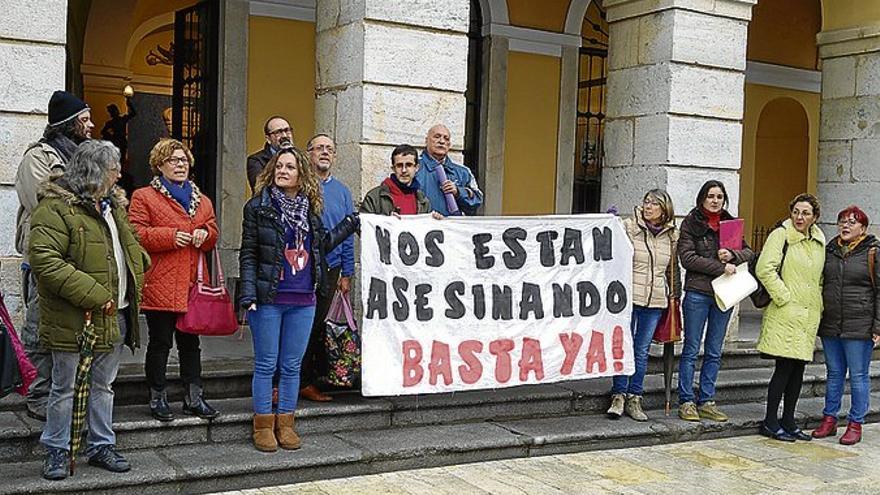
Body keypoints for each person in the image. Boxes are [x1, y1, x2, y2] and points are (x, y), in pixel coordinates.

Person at [29, 140, 149, 480]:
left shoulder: (113, 206)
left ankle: (101, 444)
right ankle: (56, 448)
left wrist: (140, 264)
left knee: (104, 385)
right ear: (95, 172)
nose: (119, 174)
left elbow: (130, 246)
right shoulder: (54, 209)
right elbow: (46, 262)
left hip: (115, 314)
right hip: (75, 318)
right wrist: (95, 293)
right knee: (64, 386)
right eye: (113, 169)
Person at [239, 146, 358, 452]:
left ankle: (286, 423)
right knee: (267, 364)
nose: (283, 171)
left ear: (300, 174)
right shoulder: (258, 208)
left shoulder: (310, 210)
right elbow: (249, 253)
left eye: (290, 167)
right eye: (279, 166)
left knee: (292, 366)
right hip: (268, 299)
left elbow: (323, 244)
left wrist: (351, 223)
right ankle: (263, 425)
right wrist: (247, 293)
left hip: (304, 299)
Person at [14, 90, 94, 422]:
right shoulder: (39, 157)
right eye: (85, 120)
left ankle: (68, 391)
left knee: (69, 331)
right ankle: (38, 393)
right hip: (46, 258)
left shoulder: (87, 156)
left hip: (78, 261)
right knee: (38, 329)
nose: (91, 125)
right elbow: (45, 204)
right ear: (68, 123)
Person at [129, 139, 220, 422]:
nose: (180, 165)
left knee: (191, 345)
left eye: (184, 160)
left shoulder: (201, 199)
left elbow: (212, 230)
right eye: (173, 161)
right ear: (159, 165)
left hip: (193, 284)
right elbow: (134, 233)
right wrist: (169, 237)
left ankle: (194, 397)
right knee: (160, 344)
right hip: (161, 283)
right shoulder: (144, 197)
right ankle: (157, 397)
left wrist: (206, 235)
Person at [677, 180, 754, 422]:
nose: (715, 200)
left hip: (724, 295)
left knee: (714, 351)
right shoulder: (690, 223)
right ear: (702, 198)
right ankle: (686, 400)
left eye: (719, 196)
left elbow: (749, 252)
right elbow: (687, 258)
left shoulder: (730, 224)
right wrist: (721, 267)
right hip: (698, 293)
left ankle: (707, 400)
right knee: (691, 349)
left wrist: (734, 254)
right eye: (710, 196)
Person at [755, 193, 825, 442]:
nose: (799, 217)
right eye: (796, 211)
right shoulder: (780, 235)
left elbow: (818, 278)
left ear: (814, 217)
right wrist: (784, 296)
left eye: (805, 213)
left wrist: (818, 303)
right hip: (785, 312)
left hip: (807, 316)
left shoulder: (819, 240)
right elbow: (765, 268)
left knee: (798, 371)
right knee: (783, 369)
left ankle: (789, 420)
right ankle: (771, 421)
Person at [607, 189, 680, 422]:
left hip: (656, 299)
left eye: (654, 204)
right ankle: (618, 395)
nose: (648, 207)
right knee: (623, 346)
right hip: (629, 297)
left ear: (664, 209)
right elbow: (613, 250)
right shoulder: (629, 227)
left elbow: (673, 270)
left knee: (641, 350)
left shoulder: (671, 235)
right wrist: (609, 224)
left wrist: (675, 297)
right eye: (646, 202)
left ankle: (634, 397)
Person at [812, 206, 877, 444]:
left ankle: (855, 423)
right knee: (834, 373)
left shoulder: (872, 252)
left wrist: (878, 326)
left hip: (860, 324)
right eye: (842, 221)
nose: (845, 226)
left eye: (852, 222)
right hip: (831, 323)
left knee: (859, 375)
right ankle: (829, 419)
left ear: (863, 228)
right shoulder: (829, 250)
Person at [298, 134, 356, 402]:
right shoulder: (300, 186)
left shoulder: (343, 191)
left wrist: (347, 273)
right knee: (301, 325)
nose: (324, 152)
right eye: (319, 147)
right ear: (308, 153)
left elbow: (347, 234)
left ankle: (309, 379)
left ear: (334, 156)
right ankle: (296, 380)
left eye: (329, 149)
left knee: (319, 326)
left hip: (331, 270)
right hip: (301, 267)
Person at [415, 124, 483, 216]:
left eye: (446, 138)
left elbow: (477, 201)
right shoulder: (414, 167)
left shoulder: (463, 172)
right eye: (437, 137)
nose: (442, 141)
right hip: (423, 227)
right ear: (426, 141)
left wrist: (458, 192)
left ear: (449, 145)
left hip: (453, 228)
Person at [362, 144, 433, 216]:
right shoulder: (374, 197)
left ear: (417, 168)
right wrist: (387, 221)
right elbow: (364, 224)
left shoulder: (423, 201)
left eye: (409, 165)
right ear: (393, 168)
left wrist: (436, 221)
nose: (404, 170)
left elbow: (429, 226)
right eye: (399, 165)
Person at [246, 116, 294, 192]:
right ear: (268, 139)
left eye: (287, 130)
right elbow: (260, 188)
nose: (285, 135)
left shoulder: (301, 158)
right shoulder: (256, 160)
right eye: (278, 132)